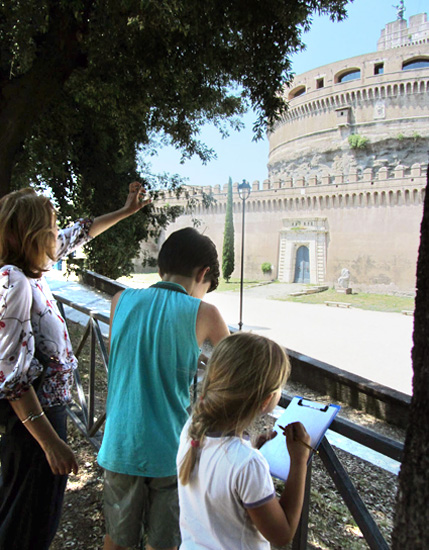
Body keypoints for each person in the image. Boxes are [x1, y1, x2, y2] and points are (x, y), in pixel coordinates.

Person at [0, 182, 150, 550]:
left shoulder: (30, 271)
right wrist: (51, 444)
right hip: (34, 424)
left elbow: (78, 234)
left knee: (31, 516)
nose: (58, 235)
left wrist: (125, 211)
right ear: (29, 235)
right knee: (27, 526)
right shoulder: (14, 280)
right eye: (51, 229)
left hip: (46, 415)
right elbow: (12, 378)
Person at [97, 227, 230, 550]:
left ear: (160, 268)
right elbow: (239, 370)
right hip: (171, 450)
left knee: (116, 540)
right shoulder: (206, 313)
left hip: (121, 443)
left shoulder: (120, 300)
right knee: (165, 543)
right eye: (205, 289)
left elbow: (130, 354)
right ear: (203, 273)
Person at [177, 331, 311, 549]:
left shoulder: (193, 428)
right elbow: (282, 534)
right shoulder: (248, 465)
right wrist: (299, 460)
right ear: (266, 400)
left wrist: (251, 447)